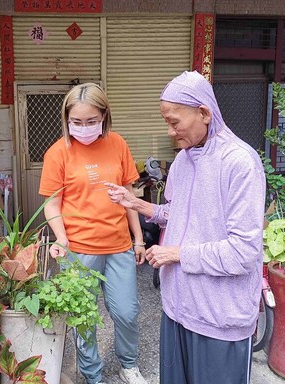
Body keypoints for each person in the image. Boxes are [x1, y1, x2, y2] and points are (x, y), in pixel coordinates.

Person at [105, 71, 266, 384]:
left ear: (204, 113)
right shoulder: (183, 161)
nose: (169, 132)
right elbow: (179, 213)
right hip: (178, 310)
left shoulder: (240, 163)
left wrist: (177, 253)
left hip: (220, 318)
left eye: (174, 121)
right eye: (166, 121)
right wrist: (135, 203)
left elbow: (243, 252)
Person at [39, 83, 149, 384]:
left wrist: (138, 239)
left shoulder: (117, 144)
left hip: (118, 246)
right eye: (76, 122)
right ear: (66, 119)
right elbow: (52, 203)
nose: (84, 128)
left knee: (126, 312)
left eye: (91, 121)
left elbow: (128, 196)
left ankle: (129, 365)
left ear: (104, 116)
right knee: (84, 318)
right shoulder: (58, 153)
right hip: (79, 250)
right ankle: (92, 376)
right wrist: (61, 238)